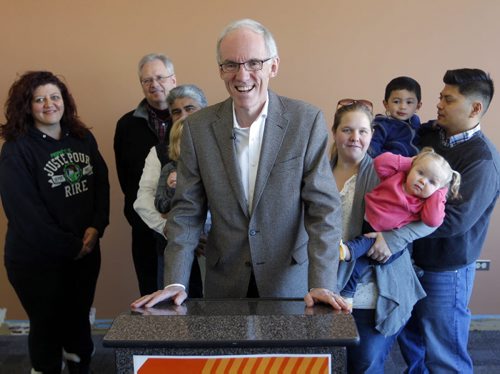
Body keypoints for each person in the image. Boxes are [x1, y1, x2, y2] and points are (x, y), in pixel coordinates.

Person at [132, 18, 348, 311]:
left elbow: (323, 209)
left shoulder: (305, 121)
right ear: (220, 69)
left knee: (285, 359)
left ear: (273, 66)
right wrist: (175, 282)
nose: (241, 74)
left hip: (290, 282)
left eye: (254, 63)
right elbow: (187, 210)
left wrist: (322, 281)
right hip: (225, 283)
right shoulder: (198, 128)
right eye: (230, 64)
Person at [0, 71, 109, 374]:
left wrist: (97, 227)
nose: (49, 104)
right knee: (46, 326)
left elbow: (101, 183)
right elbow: (25, 214)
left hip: (85, 253)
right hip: (37, 260)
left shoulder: (82, 137)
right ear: (27, 106)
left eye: (55, 96)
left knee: (78, 322)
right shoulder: (16, 150)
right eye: (39, 99)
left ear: (65, 100)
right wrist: (72, 245)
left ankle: (80, 365)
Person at [398, 68, 500, 373]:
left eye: (448, 99)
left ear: (475, 108)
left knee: (445, 355)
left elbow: (454, 221)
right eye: (441, 97)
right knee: (412, 343)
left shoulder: (483, 160)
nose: (438, 104)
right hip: (411, 261)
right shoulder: (428, 135)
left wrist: (395, 229)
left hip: (446, 270)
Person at [330, 99, 434, 372]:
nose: (355, 138)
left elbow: (432, 219)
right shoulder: (317, 172)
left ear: (371, 136)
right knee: (327, 360)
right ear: (334, 132)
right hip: (324, 281)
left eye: (363, 131)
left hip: (372, 286)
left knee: (364, 362)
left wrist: (393, 240)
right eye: (347, 130)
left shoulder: (387, 172)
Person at [340, 147, 461, 301]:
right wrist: (411, 162)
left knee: (361, 247)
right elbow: (380, 162)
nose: (423, 181)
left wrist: (439, 192)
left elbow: (433, 220)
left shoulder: (423, 203)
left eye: (431, 182)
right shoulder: (396, 177)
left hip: (389, 246)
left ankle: (348, 250)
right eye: (420, 173)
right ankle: (347, 296)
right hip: (368, 227)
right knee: (356, 267)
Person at [133, 85, 208, 295]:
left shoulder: (225, 147)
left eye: (190, 108)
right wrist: (171, 228)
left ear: (205, 110)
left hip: (215, 250)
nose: (183, 115)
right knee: (177, 317)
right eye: (176, 111)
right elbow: (143, 201)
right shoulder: (159, 154)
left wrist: (205, 232)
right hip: (171, 246)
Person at [113, 53, 176, 296]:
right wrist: (142, 218)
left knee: (189, 296)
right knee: (150, 295)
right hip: (144, 228)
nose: (154, 84)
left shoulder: (192, 119)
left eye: (160, 77)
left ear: (173, 80)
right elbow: (125, 179)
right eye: (146, 80)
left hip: (188, 230)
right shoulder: (127, 125)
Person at [368, 76, 422, 157]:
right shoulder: (382, 125)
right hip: (390, 165)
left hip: (414, 164)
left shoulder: (415, 121)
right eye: (396, 101)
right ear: (386, 104)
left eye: (409, 102)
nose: (403, 107)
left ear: (418, 106)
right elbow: (374, 146)